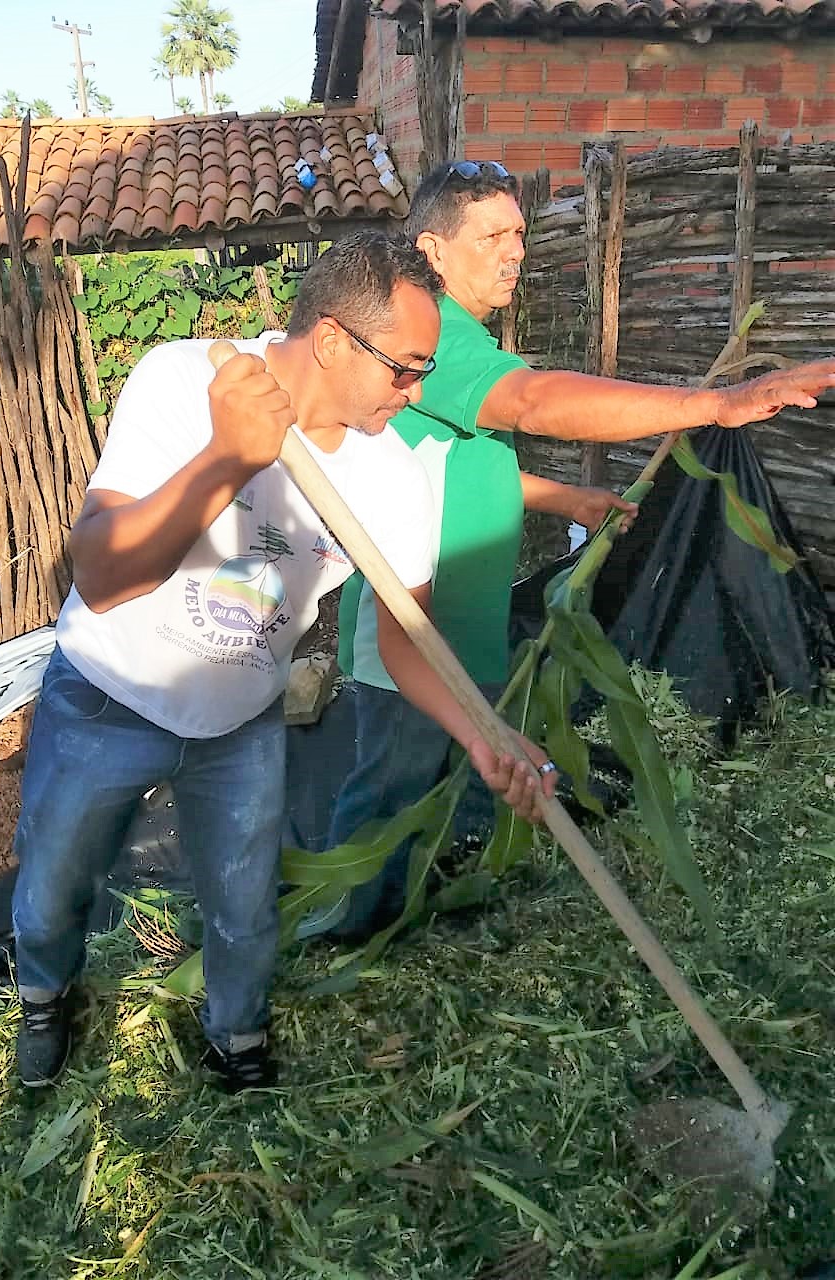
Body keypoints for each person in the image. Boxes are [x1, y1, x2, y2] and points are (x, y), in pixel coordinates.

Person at [10, 230, 560, 1093]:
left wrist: (485, 736)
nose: (417, 392)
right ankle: (44, 998)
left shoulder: (393, 475)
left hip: (240, 723)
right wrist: (229, 457)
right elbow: (105, 576)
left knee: (243, 906)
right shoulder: (187, 382)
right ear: (335, 339)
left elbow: (402, 639)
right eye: (405, 368)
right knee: (51, 883)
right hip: (109, 693)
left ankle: (236, 1039)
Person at [323, 160, 835, 942]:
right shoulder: (431, 335)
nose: (514, 251)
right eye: (492, 235)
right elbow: (530, 403)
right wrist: (714, 405)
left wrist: (566, 499)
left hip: (466, 617)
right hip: (411, 632)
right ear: (432, 249)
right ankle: (344, 935)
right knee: (388, 794)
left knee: (456, 781)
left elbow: (456, 457)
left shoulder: (455, 340)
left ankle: (425, 919)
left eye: (519, 234)